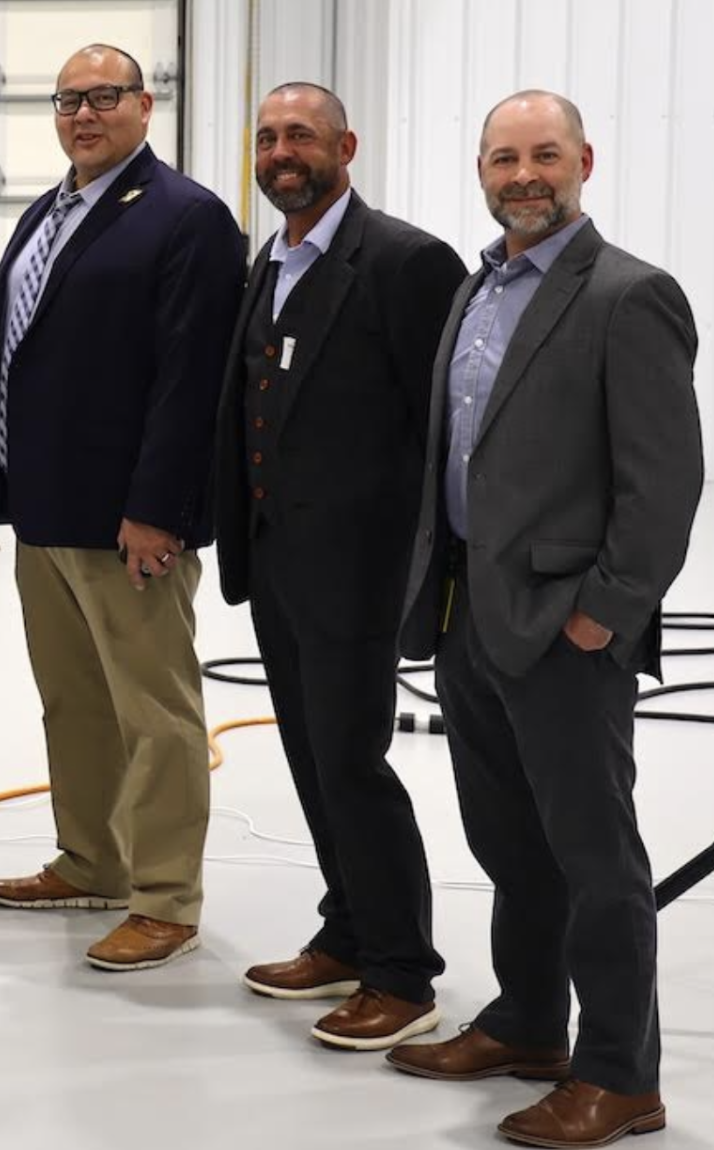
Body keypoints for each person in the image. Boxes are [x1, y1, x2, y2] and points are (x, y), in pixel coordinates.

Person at [385, 90, 700, 1150]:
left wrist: (601, 615)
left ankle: (619, 1076)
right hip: (469, 612)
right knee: (509, 842)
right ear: (481, 170)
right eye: (503, 158)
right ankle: (527, 1022)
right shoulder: (476, 289)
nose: (523, 175)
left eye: (544, 156)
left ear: (583, 163)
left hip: (565, 626)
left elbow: (663, 483)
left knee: (593, 857)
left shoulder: (628, 296)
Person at [0, 44, 245, 972]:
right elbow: (14, 357)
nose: (83, 115)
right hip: (46, 511)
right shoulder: (48, 212)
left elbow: (191, 379)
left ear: (144, 104)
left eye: (102, 97)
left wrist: (159, 508)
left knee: (155, 713)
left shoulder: (186, 218)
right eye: (68, 101)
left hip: (128, 522)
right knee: (75, 703)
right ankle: (92, 860)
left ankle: (165, 899)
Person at [211, 82, 466, 1049]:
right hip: (280, 564)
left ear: (345, 148)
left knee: (353, 764)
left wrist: (432, 570)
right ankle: (348, 930)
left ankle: (402, 972)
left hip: (361, 571)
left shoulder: (405, 262)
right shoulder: (269, 262)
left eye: (302, 136)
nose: (282, 153)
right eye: (268, 138)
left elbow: (441, 431)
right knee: (312, 758)